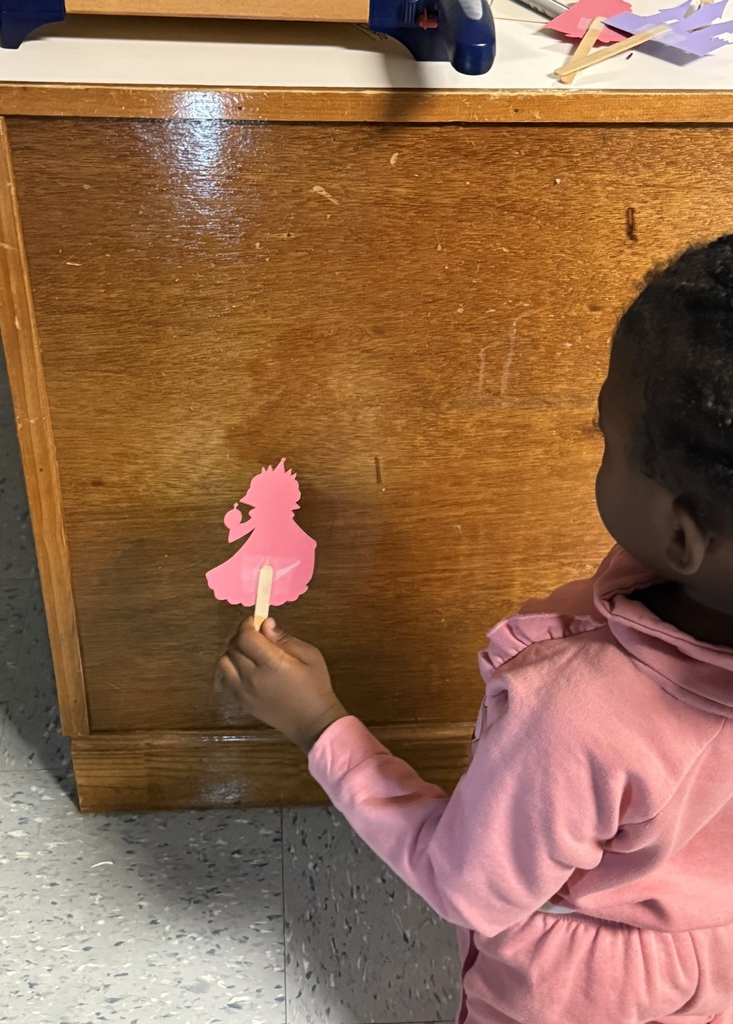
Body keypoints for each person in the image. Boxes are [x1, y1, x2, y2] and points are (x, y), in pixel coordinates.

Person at [217, 235, 733, 1024]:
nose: (598, 447)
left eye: (607, 438)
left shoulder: (578, 719)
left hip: (580, 998)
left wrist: (319, 724)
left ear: (683, 537)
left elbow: (463, 881)